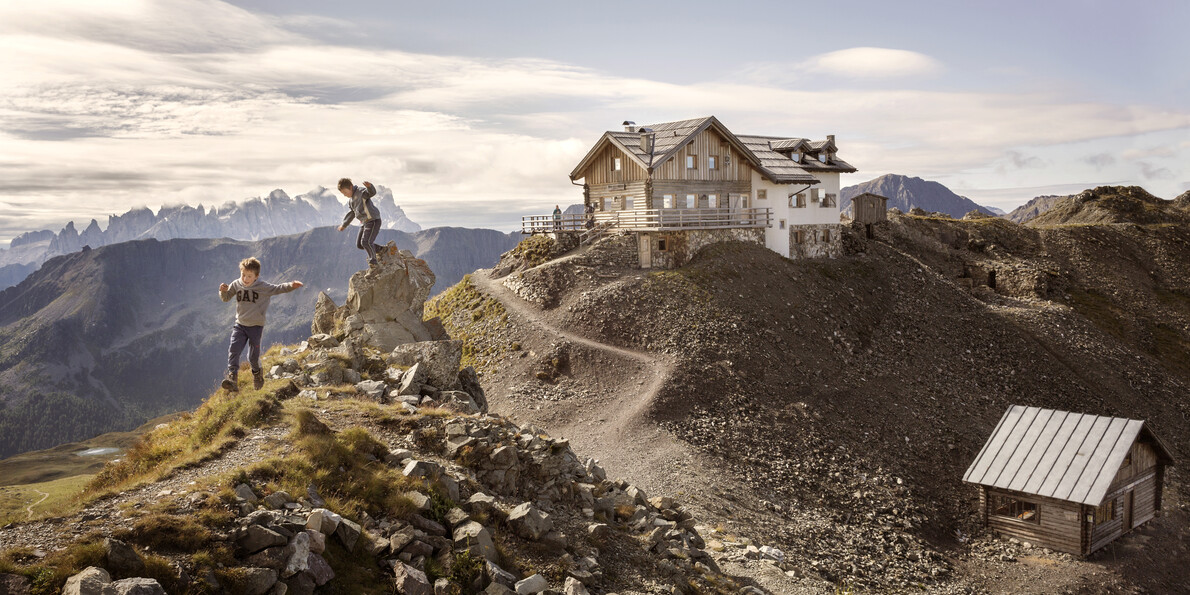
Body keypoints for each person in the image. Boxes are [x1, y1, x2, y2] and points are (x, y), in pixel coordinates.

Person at [218, 257, 302, 392]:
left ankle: (257, 374)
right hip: (240, 324)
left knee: (252, 357)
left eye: (249, 276)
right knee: (234, 349)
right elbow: (226, 298)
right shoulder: (236, 284)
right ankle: (232, 378)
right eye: (243, 275)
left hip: (256, 327)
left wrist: (291, 285)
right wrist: (222, 291)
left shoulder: (262, 286)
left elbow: (277, 289)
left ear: (256, 276)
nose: (245, 279)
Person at [337, 177, 387, 268]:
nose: (344, 195)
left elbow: (371, 193)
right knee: (360, 244)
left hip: (373, 220)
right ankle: (381, 249)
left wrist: (370, 187)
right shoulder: (351, 201)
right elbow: (352, 213)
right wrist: (344, 225)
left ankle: (373, 262)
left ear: (351, 187)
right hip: (365, 222)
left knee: (366, 242)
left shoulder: (361, 192)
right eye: (342, 193)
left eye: (345, 192)